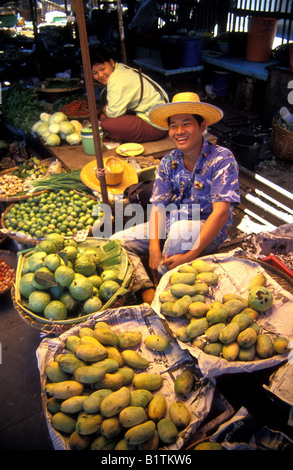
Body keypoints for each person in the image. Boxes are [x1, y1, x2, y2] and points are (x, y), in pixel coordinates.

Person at [111, 92, 240, 304]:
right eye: (173, 126)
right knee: (117, 241)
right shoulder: (169, 161)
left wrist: (190, 255)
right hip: (174, 221)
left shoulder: (222, 159)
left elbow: (221, 213)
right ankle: (145, 288)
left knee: (180, 232)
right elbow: (158, 207)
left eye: (186, 124)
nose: (179, 131)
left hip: (209, 228)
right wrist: (153, 249)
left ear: (202, 126)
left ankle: (163, 297)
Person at [90, 47, 169, 143]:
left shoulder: (116, 79)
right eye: (95, 73)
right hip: (160, 117)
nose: (100, 75)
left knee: (106, 124)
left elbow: (114, 113)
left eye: (102, 69)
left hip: (157, 125)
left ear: (111, 62)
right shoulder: (120, 68)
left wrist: (104, 110)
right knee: (107, 117)